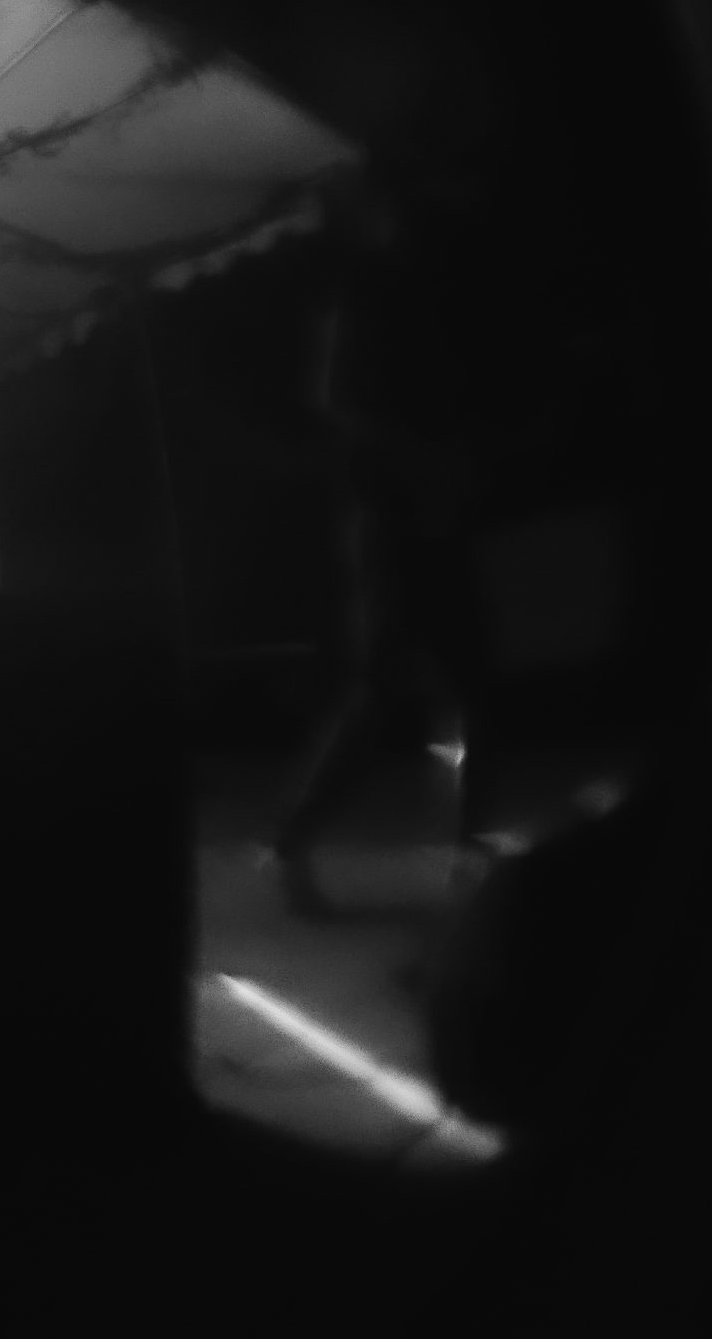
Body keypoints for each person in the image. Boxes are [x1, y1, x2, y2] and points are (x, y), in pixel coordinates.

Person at [271, 172, 481, 918]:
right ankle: (294, 838)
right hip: (388, 515)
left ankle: (470, 856)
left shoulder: (413, 291)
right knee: (383, 687)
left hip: (420, 509)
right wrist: (419, 461)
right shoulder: (362, 292)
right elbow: (334, 400)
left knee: (470, 680)